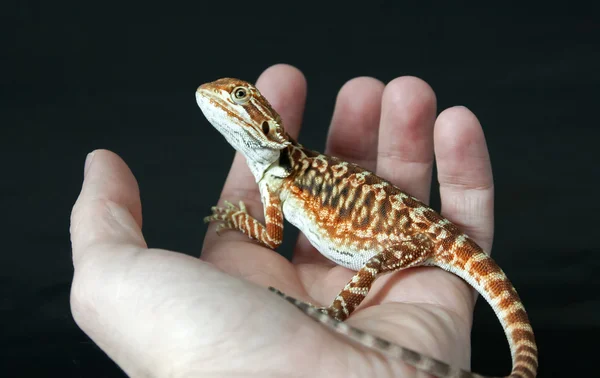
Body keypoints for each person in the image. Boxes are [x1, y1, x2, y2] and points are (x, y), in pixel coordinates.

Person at [70, 64, 494, 376]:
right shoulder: (279, 179)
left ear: (270, 128)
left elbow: (272, 237)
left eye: (238, 98)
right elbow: (273, 236)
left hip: (430, 240)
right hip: (424, 233)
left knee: (376, 260)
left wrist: (239, 217)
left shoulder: (285, 178)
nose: (222, 98)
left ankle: (339, 311)